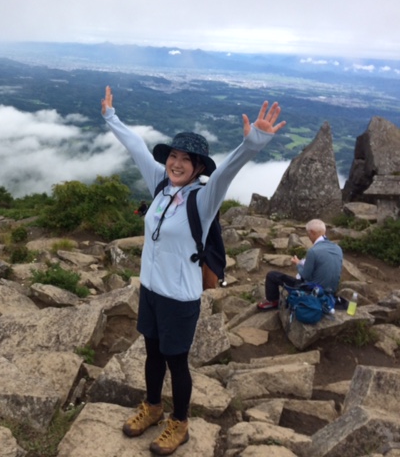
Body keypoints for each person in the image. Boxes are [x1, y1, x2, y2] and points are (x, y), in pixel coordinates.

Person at [101, 86, 285, 455]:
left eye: (187, 159)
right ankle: (153, 407)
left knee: (176, 362)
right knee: (152, 355)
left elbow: (229, 172)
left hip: (180, 298)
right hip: (151, 291)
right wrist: (110, 116)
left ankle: (179, 424)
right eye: (174, 155)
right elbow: (136, 146)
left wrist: (254, 143)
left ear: (199, 167)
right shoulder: (160, 184)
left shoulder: (202, 199)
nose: (177, 162)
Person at [257, 219, 343, 310]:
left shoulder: (313, 251)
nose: (308, 237)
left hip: (313, 291)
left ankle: (273, 301)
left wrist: (298, 264)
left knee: (272, 275)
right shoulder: (338, 248)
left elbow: (306, 276)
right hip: (330, 292)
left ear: (312, 232)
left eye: (308, 234)